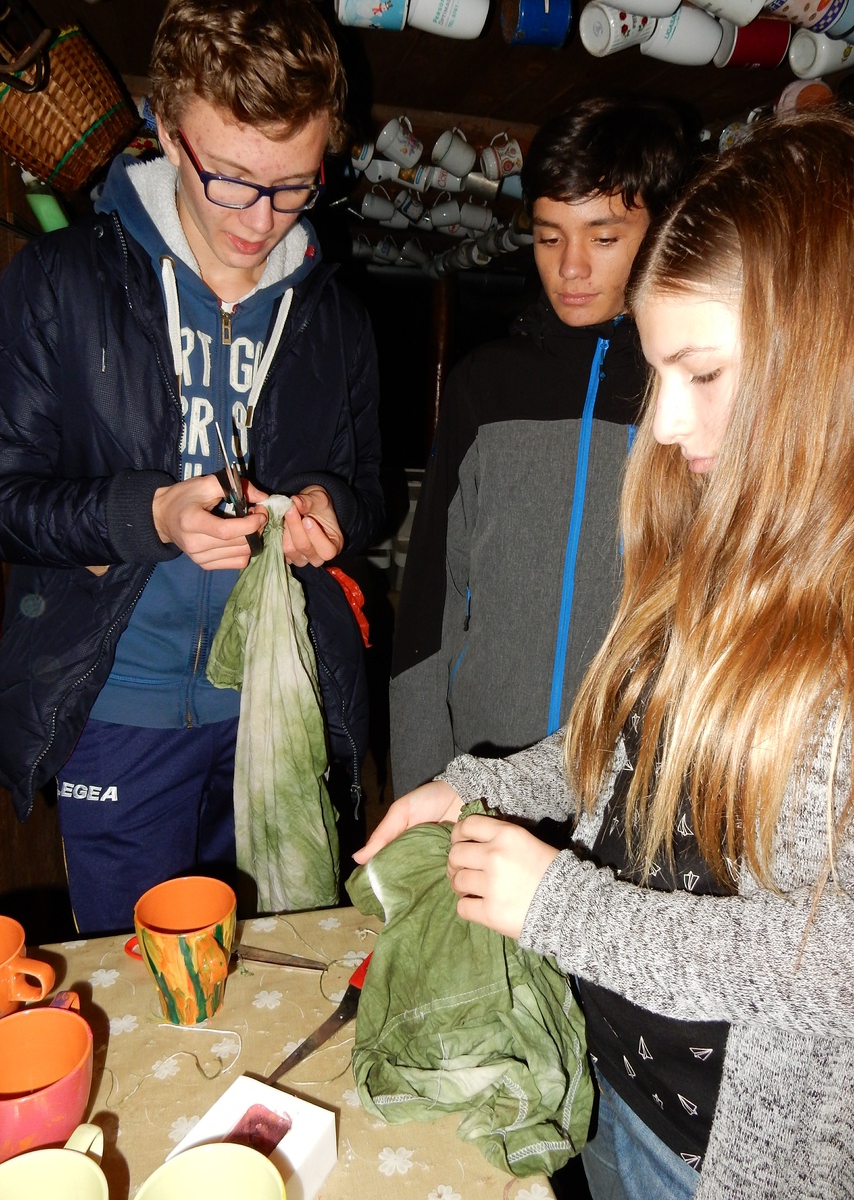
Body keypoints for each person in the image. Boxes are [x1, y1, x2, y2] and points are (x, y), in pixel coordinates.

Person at [358, 109, 854, 1199]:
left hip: (724, 1155)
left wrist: (561, 908)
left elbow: (832, 964)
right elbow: (627, 759)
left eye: (701, 373)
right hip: (611, 1078)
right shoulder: (725, 533)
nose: (664, 425)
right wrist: (476, 787)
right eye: (656, 373)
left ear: (823, 360)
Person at [0, 0, 383, 934]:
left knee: (280, 965)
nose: (260, 220)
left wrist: (329, 508)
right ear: (164, 128)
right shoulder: (59, 281)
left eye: (294, 185)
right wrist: (145, 517)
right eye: (230, 179)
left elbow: (365, 489)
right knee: (149, 977)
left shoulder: (337, 318)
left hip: (279, 705)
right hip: (117, 712)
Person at [389, 95, 697, 798]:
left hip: (636, 783)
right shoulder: (483, 386)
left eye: (604, 237)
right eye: (550, 238)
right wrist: (419, 779)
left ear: (663, 230)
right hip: (482, 770)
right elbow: (432, 594)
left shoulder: (691, 395)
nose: (571, 268)